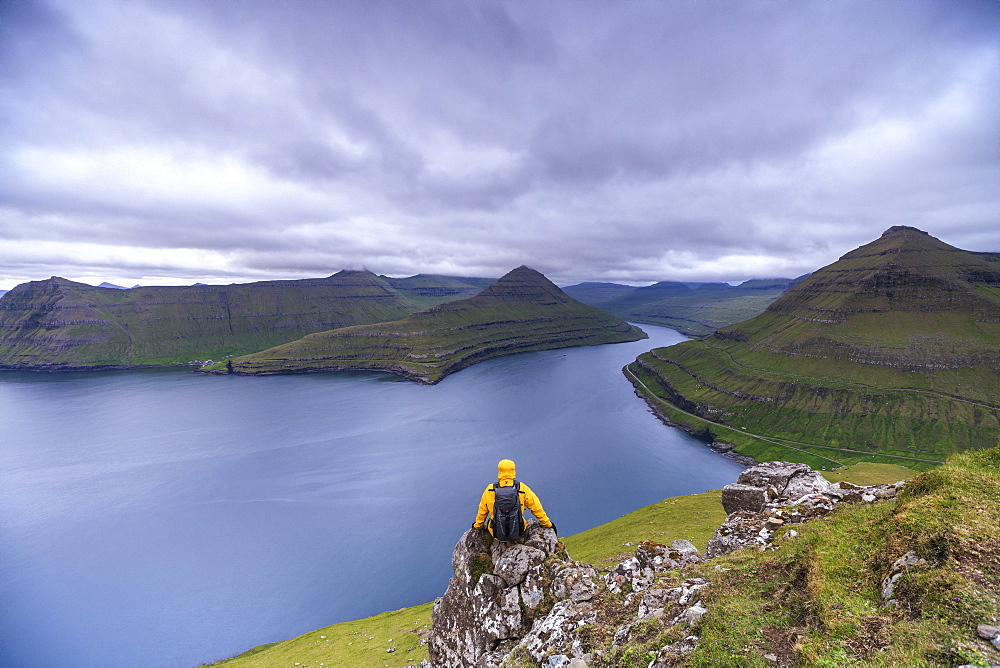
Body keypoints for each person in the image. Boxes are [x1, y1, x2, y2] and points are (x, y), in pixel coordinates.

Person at [473, 459, 555, 540]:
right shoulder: (521, 488)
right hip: (519, 531)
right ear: (513, 471)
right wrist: (547, 524)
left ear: (499, 471)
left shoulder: (490, 489)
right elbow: (536, 507)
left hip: (495, 533)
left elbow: (482, 511)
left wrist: (478, 525)